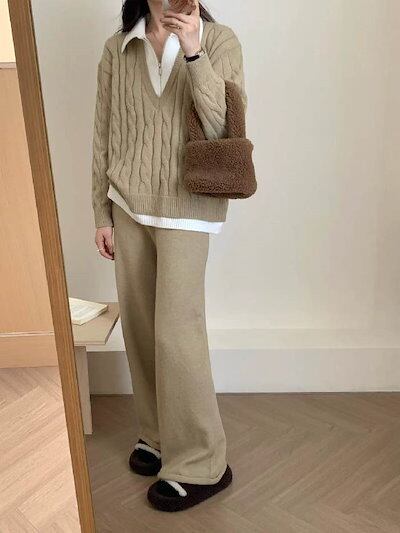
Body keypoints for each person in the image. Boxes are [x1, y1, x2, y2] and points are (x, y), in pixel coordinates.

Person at [92, 0, 246, 512]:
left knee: (177, 334)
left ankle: (203, 462)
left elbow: (225, 128)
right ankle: (158, 435)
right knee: (140, 329)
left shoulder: (220, 41)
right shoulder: (119, 48)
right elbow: (103, 135)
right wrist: (100, 211)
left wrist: (195, 53)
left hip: (187, 206)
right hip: (128, 205)